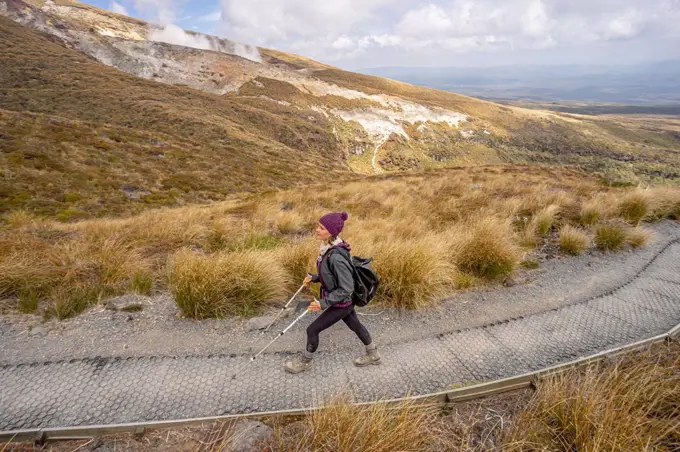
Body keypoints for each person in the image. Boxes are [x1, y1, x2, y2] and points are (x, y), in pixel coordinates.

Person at [284, 212, 381, 374]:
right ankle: (374, 355)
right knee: (356, 326)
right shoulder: (328, 249)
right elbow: (332, 277)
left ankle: (304, 362)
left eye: (321, 228)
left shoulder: (335, 256)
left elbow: (346, 287)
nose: (316, 230)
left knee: (312, 330)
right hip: (343, 301)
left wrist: (323, 303)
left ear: (331, 232)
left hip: (341, 302)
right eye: (317, 226)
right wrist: (314, 278)